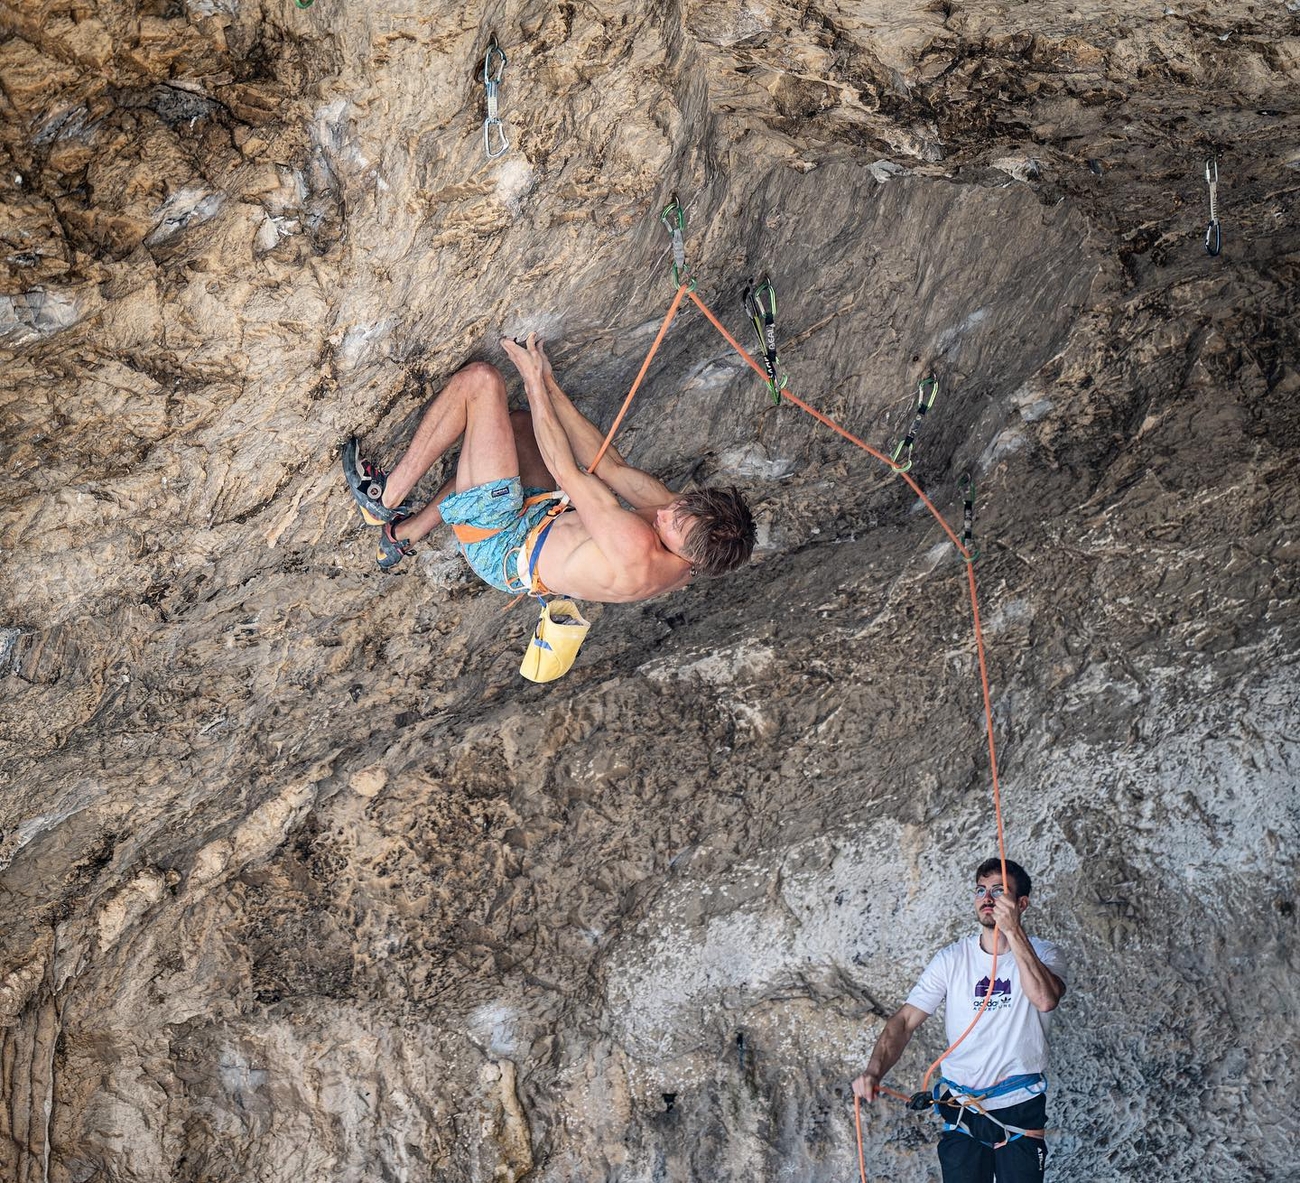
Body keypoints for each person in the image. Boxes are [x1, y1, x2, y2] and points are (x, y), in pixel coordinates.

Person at [343, 334, 755, 602]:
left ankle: (384, 498)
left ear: (686, 554)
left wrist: (533, 380)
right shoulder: (690, 533)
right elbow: (608, 464)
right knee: (517, 428)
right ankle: (405, 533)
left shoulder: (636, 549)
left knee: (482, 383)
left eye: (674, 525)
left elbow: (567, 470)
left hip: (501, 544)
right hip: (542, 518)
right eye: (682, 507)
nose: (666, 512)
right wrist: (552, 385)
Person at [852, 858, 1067, 1183]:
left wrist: (1012, 930)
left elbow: (1045, 999)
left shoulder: (1046, 954)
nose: (988, 898)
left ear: (1021, 903)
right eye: (981, 890)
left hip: (1019, 1104)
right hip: (962, 1105)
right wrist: (873, 1070)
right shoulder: (951, 960)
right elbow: (905, 1020)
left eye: (999, 891)